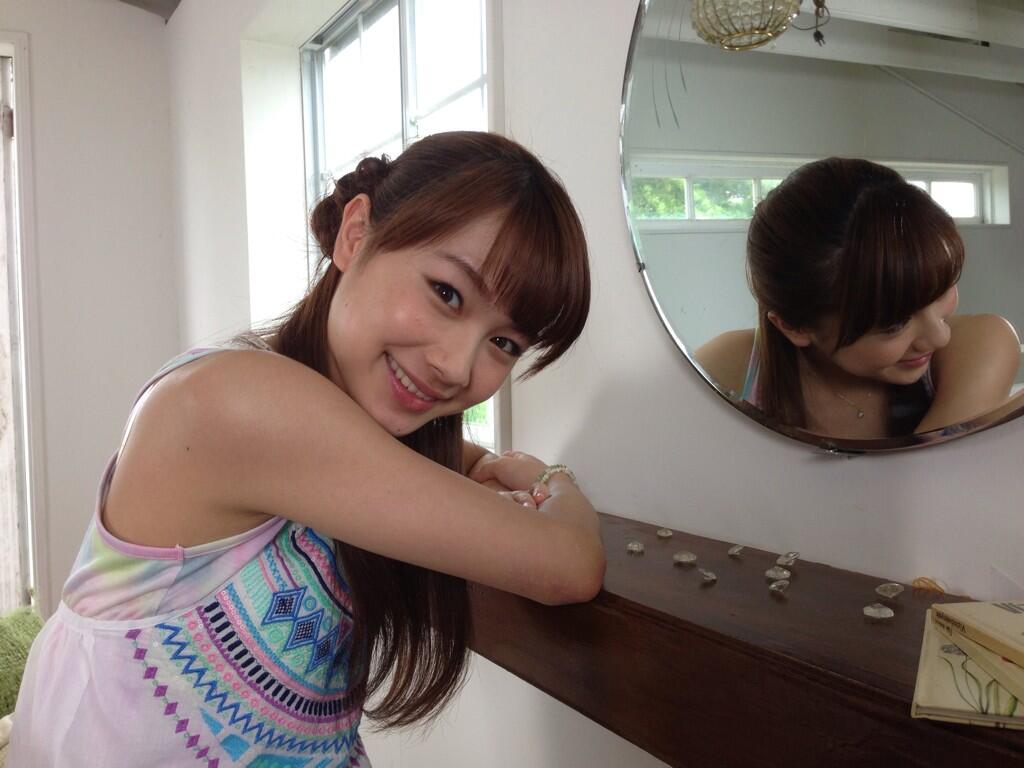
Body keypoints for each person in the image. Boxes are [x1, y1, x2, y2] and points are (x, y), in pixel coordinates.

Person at [9, 131, 605, 766]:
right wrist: (556, 480)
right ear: (357, 234)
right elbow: (567, 565)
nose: (457, 367)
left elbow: (458, 462)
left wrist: (488, 463)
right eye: (447, 293)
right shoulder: (238, 403)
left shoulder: (341, 428)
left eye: (504, 344)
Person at [695, 157, 1020, 440]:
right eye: (894, 324)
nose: (940, 336)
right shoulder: (725, 369)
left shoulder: (982, 344)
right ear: (794, 326)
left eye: (941, 289)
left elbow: (926, 479)